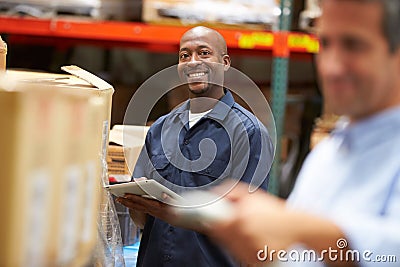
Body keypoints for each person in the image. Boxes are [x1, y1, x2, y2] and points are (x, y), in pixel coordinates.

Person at [206, 0, 400, 266]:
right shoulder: (326, 156)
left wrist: (300, 228)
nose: (331, 67)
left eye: (353, 45)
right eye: (325, 44)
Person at [117, 26, 273, 266]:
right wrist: (133, 201)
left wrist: (173, 213)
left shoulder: (250, 133)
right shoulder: (161, 128)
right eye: (184, 55)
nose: (193, 62)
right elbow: (142, 220)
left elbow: (246, 224)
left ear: (225, 63)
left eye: (203, 53)